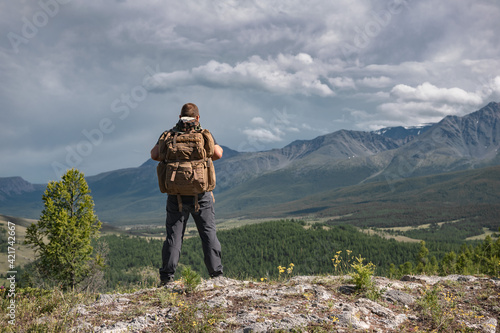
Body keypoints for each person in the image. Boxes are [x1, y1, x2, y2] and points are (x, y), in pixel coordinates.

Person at [151, 103, 223, 285]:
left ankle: (167, 278)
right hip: (202, 195)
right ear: (197, 118)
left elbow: (154, 155)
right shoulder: (203, 133)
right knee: (208, 234)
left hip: (176, 196)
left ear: (180, 116)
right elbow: (218, 154)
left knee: (174, 237)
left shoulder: (169, 135)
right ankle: (216, 276)